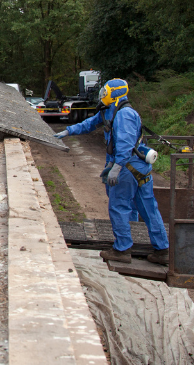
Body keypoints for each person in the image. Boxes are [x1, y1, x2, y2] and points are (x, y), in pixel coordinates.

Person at [54, 79, 169, 265]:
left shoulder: (125, 114)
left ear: (113, 93)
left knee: (119, 206)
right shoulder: (110, 110)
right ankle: (162, 250)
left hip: (128, 166)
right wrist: (68, 131)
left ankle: (122, 249)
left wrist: (116, 168)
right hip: (136, 166)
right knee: (148, 208)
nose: (102, 95)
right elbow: (90, 123)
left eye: (104, 92)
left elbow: (125, 145)